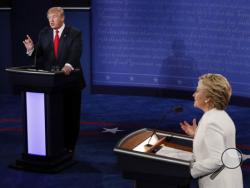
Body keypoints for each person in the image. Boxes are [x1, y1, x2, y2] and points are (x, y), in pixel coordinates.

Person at [23, 7, 86, 153]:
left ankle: (70, 146)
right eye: (49, 17)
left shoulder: (74, 33)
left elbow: (76, 52)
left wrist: (69, 65)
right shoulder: (44, 33)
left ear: (62, 18)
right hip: (52, 84)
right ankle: (56, 144)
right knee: (55, 116)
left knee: (71, 115)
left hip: (71, 82)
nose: (51, 20)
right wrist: (32, 49)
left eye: (54, 17)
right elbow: (40, 54)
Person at [180, 73, 243, 188]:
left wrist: (188, 171)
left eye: (198, 90)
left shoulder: (211, 122)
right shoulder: (220, 116)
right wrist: (198, 135)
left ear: (208, 98)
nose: (194, 94)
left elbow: (218, 159)